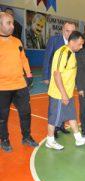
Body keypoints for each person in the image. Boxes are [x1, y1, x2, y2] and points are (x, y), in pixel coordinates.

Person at [45, 31, 85, 150]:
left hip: (68, 93)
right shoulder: (62, 52)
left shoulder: (72, 53)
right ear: (71, 42)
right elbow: (57, 75)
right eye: (80, 44)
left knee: (72, 116)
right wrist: (63, 95)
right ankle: (50, 140)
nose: (81, 46)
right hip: (59, 94)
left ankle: (78, 138)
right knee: (54, 118)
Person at [0, 12, 38, 152]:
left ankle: (26, 137)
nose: (12, 26)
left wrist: (28, 74)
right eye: (8, 23)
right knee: (2, 117)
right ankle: (4, 139)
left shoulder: (17, 42)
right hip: (2, 88)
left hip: (20, 85)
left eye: (12, 23)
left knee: (25, 113)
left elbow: (24, 59)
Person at [42, 21, 76, 138]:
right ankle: (54, 128)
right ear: (63, 30)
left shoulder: (75, 44)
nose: (70, 33)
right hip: (55, 78)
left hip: (67, 81)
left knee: (65, 102)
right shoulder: (54, 40)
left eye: (72, 31)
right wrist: (46, 76)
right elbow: (47, 58)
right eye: (67, 30)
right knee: (54, 104)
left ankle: (61, 125)